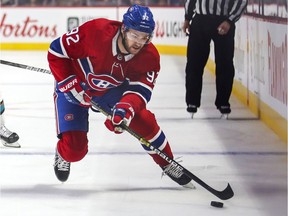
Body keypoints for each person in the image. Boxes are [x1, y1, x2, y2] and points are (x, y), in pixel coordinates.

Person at [48, 4, 195, 188]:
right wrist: (68, 81)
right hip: (76, 87)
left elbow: (140, 92)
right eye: (135, 35)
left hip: (109, 91)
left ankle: (167, 162)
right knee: (74, 151)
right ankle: (63, 154)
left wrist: (126, 108)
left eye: (145, 37)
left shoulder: (149, 57)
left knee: (142, 120)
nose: (139, 43)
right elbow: (56, 50)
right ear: (124, 29)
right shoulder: (96, 32)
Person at [183, 0, 248, 115]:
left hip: (223, 20)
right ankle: (192, 101)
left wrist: (230, 20)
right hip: (200, 21)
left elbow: (241, 2)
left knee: (225, 63)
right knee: (194, 62)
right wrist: (187, 18)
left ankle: (223, 102)